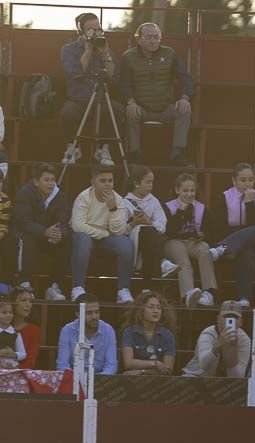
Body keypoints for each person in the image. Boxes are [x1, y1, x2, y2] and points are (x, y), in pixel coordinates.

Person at [119, 22, 195, 166]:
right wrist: (130, 102)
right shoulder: (128, 57)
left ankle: (177, 153)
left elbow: (186, 79)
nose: (154, 41)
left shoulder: (170, 53)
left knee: (185, 110)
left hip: (166, 108)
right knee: (130, 112)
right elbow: (123, 84)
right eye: (149, 37)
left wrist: (185, 98)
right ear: (139, 39)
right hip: (141, 108)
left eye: (157, 37)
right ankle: (135, 153)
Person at [59, 12, 122, 165]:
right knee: (67, 112)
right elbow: (74, 73)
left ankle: (103, 149)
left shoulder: (105, 49)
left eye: (98, 28)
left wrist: (105, 54)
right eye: (91, 30)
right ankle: (73, 147)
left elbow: (114, 78)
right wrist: (87, 51)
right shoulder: (69, 49)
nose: (96, 33)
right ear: (81, 32)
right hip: (79, 99)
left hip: (102, 97)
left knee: (118, 110)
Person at [208, 163, 255, 309]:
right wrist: (240, 238)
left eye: (250, 180)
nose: (247, 184)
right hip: (242, 249)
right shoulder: (224, 197)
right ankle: (245, 298)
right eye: (243, 180)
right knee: (245, 252)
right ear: (234, 180)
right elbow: (218, 227)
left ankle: (223, 248)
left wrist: (250, 203)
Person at [70, 164, 135, 304]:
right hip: (86, 238)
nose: (107, 184)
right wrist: (103, 233)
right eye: (103, 181)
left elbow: (119, 231)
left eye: (110, 181)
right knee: (83, 238)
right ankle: (78, 288)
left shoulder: (118, 200)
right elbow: (78, 226)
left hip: (106, 240)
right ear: (93, 182)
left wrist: (112, 209)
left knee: (126, 244)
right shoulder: (83, 197)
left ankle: (123, 290)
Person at [13, 163, 72, 302]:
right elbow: (23, 222)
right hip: (26, 234)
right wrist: (44, 231)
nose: (51, 183)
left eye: (53, 179)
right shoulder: (24, 193)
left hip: (48, 236)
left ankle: (54, 287)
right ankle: (24, 283)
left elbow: (63, 220)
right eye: (46, 180)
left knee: (67, 239)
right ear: (36, 181)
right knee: (27, 238)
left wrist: (59, 233)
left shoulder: (60, 196)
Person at [163, 172, 217, 308]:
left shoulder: (201, 208)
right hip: (173, 242)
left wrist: (202, 236)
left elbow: (212, 232)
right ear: (177, 190)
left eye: (192, 190)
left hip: (193, 242)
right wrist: (181, 212)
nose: (189, 194)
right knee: (182, 256)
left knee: (205, 249)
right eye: (185, 190)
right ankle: (187, 294)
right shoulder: (168, 207)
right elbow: (167, 231)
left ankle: (208, 292)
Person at [123, 164, 172, 291]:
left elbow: (162, 225)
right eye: (148, 182)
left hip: (151, 239)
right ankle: (161, 262)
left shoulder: (154, 201)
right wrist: (134, 223)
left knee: (148, 231)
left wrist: (149, 222)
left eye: (152, 182)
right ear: (136, 183)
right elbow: (121, 229)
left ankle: (148, 287)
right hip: (133, 240)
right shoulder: (125, 202)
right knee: (145, 231)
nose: (151, 185)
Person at [181, 301, 251, 378]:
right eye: (227, 316)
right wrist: (218, 346)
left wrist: (233, 347)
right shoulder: (208, 334)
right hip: (196, 376)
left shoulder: (244, 340)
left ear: (241, 322)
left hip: (226, 383)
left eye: (235, 317)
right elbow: (203, 365)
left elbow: (237, 377)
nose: (231, 320)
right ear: (218, 319)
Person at [55, 293, 118, 375]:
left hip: (100, 381)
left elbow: (111, 365)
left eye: (97, 312)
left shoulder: (108, 331)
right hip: (73, 381)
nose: (94, 317)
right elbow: (62, 365)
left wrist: (97, 381)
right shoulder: (67, 330)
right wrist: (76, 381)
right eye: (89, 313)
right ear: (77, 314)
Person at [119, 290, 176, 375]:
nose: (156, 311)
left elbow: (167, 370)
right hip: (132, 379)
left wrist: (142, 371)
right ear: (141, 310)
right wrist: (155, 364)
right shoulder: (129, 332)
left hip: (160, 381)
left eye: (158, 307)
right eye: (151, 307)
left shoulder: (167, 335)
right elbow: (128, 363)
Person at [11, 286, 40, 369]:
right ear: (13, 303)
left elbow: (30, 362)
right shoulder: (2, 327)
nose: (28, 305)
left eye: (30, 301)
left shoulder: (34, 330)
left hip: (21, 374)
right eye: (24, 300)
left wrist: (12, 370)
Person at [0, 297, 25, 369]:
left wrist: (13, 354)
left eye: (10, 312)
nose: (8, 315)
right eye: (4, 313)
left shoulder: (15, 334)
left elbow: (23, 354)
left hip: (12, 368)